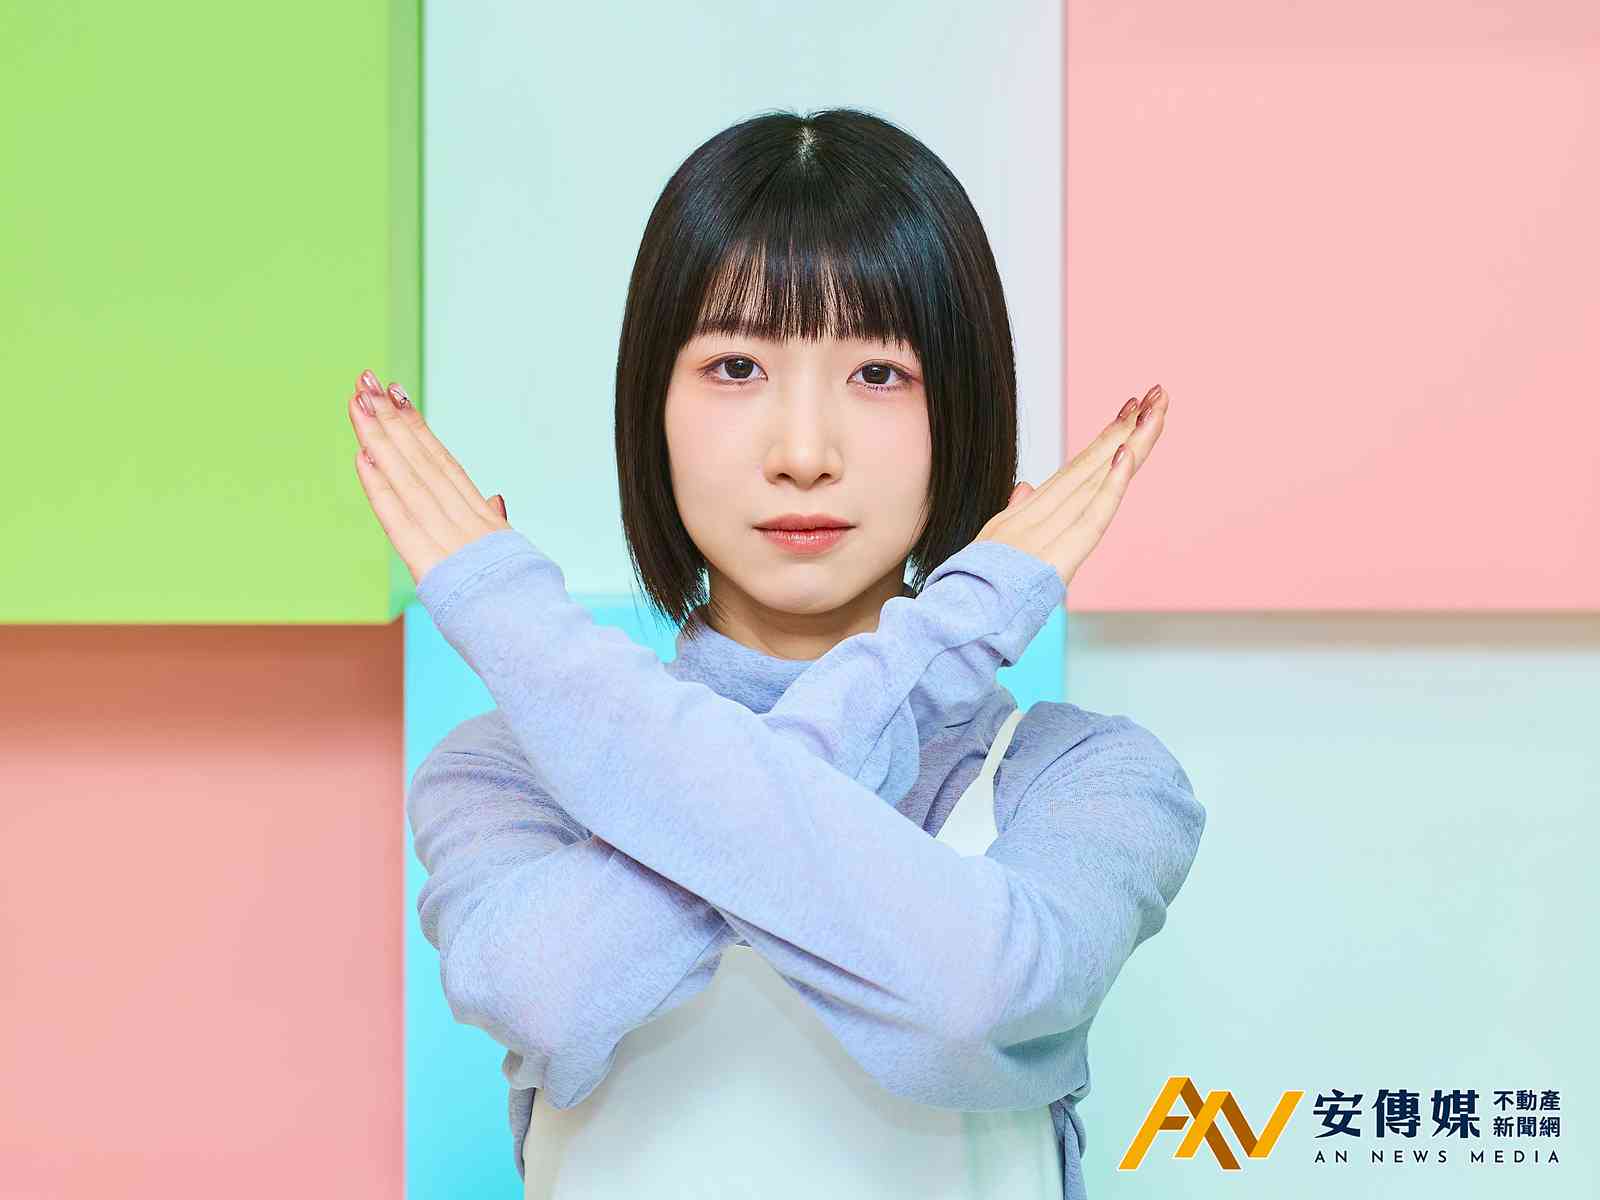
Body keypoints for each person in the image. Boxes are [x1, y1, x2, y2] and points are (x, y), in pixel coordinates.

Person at [351, 108, 1204, 1199]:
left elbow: (970, 1006)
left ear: (964, 409)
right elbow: (552, 999)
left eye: (879, 373)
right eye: (736, 365)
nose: (804, 453)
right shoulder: (506, 770)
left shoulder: (1089, 778)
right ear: (650, 412)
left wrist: (529, 642)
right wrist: (944, 642)